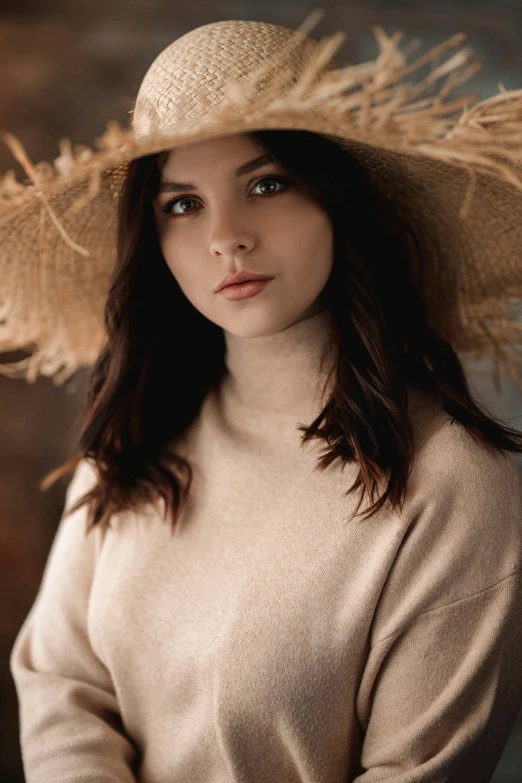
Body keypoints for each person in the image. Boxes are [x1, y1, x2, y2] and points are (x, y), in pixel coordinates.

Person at [5, 14, 522, 783]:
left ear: (340, 200)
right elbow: (60, 684)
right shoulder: (131, 439)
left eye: (267, 183)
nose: (227, 238)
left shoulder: (456, 481)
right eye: (182, 203)